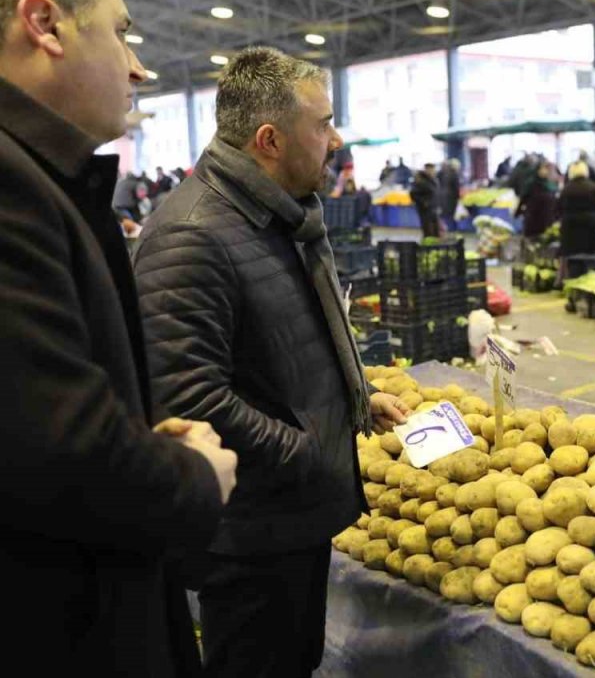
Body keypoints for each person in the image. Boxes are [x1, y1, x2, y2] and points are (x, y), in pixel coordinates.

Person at [0, 0, 235, 674]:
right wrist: (196, 474)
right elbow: (61, 455)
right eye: (121, 34)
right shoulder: (11, 188)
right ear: (45, 25)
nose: (137, 69)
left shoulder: (48, 181)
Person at [133, 47, 407, 678]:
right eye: (324, 124)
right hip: (251, 533)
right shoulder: (193, 234)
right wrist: (307, 450)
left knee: (294, 660)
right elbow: (185, 395)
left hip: (291, 515)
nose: (336, 140)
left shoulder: (275, 216)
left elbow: (283, 344)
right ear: (269, 139)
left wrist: (353, 400)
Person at [559, 161, 595, 257]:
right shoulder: (593, 187)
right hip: (590, 230)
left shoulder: (565, 190)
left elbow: (559, 209)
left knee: (573, 260)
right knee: (590, 260)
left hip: (570, 231)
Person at [516, 160, 558, 239]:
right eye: (543, 168)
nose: (545, 171)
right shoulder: (530, 183)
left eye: (546, 168)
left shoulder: (551, 185)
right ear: (537, 170)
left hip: (546, 219)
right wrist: (517, 213)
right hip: (533, 219)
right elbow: (523, 199)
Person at [410, 162, 440, 239]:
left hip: (433, 208)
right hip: (425, 210)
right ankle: (428, 247)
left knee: (436, 230)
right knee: (428, 231)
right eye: (431, 169)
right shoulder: (420, 180)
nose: (433, 171)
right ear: (427, 170)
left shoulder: (433, 180)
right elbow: (413, 194)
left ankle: (435, 246)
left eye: (433, 169)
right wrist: (424, 203)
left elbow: (435, 193)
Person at [438, 157, 462, 232]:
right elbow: (456, 188)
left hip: (444, 198)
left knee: (447, 217)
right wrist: (459, 198)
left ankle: (448, 230)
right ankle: (453, 231)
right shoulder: (454, 174)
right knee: (451, 217)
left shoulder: (446, 173)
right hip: (451, 199)